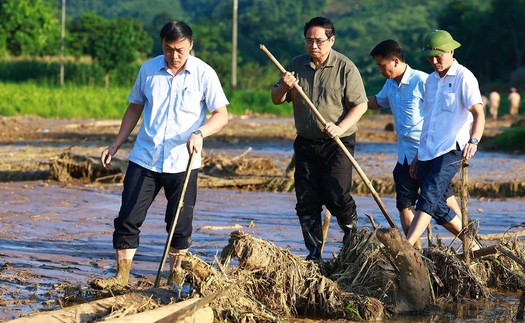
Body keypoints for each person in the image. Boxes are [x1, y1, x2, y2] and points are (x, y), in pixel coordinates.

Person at [91, 20, 229, 288]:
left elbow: (221, 115)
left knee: (179, 223)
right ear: (162, 45)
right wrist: (116, 143)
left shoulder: (204, 74)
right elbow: (134, 108)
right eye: (168, 49)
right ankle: (121, 276)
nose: (174, 56)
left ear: (190, 45)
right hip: (145, 157)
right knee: (128, 217)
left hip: (183, 161)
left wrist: (199, 133)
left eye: (180, 50)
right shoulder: (149, 69)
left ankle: (174, 278)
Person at [271, 17, 368, 260]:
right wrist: (284, 86)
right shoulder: (295, 66)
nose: (313, 45)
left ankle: (352, 240)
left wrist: (340, 126)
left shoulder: (346, 67)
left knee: (336, 194)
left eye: (319, 41)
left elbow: (361, 105)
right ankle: (314, 254)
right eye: (309, 40)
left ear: (331, 40)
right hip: (305, 143)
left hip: (337, 143)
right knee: (306, 199)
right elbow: (276, 98)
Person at [367, 40, 462, 245]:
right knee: (404, 203)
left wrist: (424, 154)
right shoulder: (390, 84)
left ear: (394, 61)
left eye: (381, 65)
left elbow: (437, 117)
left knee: (441, 200)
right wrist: (350, 102)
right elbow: (376, 101)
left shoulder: (423, 80)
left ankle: (469, 242)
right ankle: (414, 254)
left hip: (427, 153)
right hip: (404, 154)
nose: (380, 70)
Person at [406, 30, 485, 247]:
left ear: (451, 51)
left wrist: (474, 141)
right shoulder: (430, 81)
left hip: (452, 148)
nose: (433, 61)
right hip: (428, 151)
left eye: (438, 56)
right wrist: (417, 155)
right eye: (430, 57)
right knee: (437, 205)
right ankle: (473, 245)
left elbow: (478, 113)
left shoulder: (464, 77)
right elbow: (428, 121)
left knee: (428, 197)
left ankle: (406, 246)